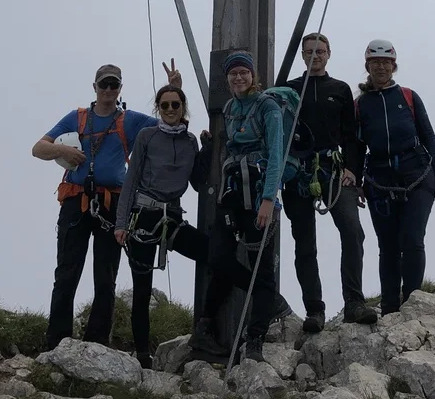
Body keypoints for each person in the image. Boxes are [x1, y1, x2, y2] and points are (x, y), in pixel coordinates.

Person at [31, 61, 181, 351]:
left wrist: (174, 90)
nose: (109, 90)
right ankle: (56, 343)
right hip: (77, 202)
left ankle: (97, 342)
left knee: (105, 275)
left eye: (114, 85)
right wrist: (63, 150)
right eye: (104, 84)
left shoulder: (131, 121)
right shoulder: (77, 118)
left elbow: (168, 124)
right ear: (95, 87)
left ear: (120, 88)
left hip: (113, 205)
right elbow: (38, 148)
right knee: (66, 272)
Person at [113, 83, 223, 369]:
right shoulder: (147, 136)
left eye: (176, 105)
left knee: (215, 255)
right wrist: (121, 223)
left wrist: (209, 150)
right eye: (165, 105)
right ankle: (142, 357)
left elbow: (197, 183)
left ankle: (206, 327)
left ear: (182, 108)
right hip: (144, 216)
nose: (171, 109)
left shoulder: (189, 142)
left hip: (171, 217)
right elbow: (131, 180)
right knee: (142, 290)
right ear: (158, 109)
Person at [191, 49, 291, 363]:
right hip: (232, 195)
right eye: (233, 73)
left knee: (262, 270)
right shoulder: (232, 107)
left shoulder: (268, 107)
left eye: (243, 72)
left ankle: (255, 341)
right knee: (219, 258)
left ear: (252, 75)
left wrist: (268, 200)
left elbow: (276, 155)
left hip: (259, 195)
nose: (238, 77)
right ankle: (269, 301)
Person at [281, 33, 378, 331]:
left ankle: (354, 302)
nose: (315, 56)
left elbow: (351, 134)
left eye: (320, 51)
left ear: (329, 54)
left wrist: (353, 170)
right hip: (298, 170)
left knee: (353, 231)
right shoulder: (288, 90)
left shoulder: (339, 89)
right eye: (309, 51)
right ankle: (315, 309)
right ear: (302, 54)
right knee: (305, 243)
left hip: (334, 169)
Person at [353, 39, 435, 315]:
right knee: (388, 246)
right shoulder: (360, 105)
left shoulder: (407, 96)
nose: (380, 67)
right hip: (379, 179)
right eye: (375, 62)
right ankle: (390, 307)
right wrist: (359, 181)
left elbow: (427, 135)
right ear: (367, 66)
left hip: (417, 173)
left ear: (393, 66)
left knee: (413, 239)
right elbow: (358, 146)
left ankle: (413, 301)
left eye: (385, 62)